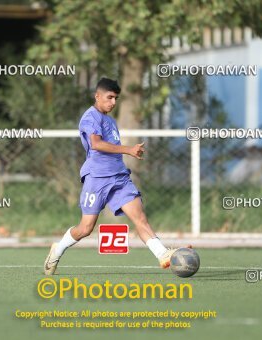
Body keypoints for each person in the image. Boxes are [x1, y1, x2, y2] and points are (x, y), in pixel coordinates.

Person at [44, 77, 180, 275]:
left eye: (116, 98)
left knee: (140, 218)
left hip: (119, 179)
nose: (113, 102)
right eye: (109, 97)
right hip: (96, 179)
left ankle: (162, 255)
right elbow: (96, 144)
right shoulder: (90, 117)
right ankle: (58, 249)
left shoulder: (110, 120)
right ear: (97, 96)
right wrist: (129, 150)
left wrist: (128, 152)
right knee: (86, 228)